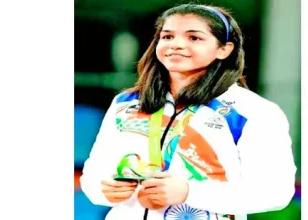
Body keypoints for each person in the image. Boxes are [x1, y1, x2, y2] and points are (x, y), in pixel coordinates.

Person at [80, 3, 296, 220]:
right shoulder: (126, 103)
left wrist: (188, 192)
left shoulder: (253, 111)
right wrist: (105, 190)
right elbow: (92, 176)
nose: (176, 45)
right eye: (167, 37)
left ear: (224, 49)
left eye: (194, 38)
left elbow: (275, 193)